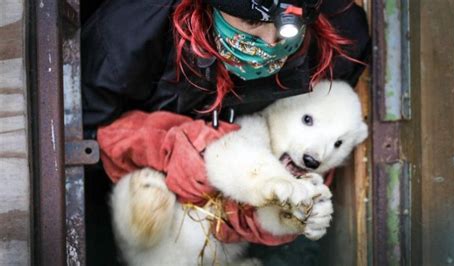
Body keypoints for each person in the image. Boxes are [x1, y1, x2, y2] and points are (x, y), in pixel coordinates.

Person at [81, 0, 370, 264]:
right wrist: (178, 152)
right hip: (149, 176)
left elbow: (326, 129)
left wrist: (294, 191)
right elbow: (87, 138)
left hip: (247, 176)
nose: (270, 42)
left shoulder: (342, 39)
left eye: (286, 24)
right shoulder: (126, 35)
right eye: (252, 23)